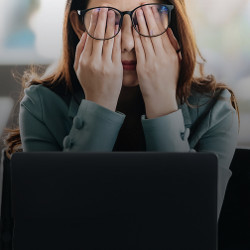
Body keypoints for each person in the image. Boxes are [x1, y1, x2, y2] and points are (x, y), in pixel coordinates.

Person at [5, 0, 239, 219]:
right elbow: (60, 221)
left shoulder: (215, 111)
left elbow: (190, 223)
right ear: (79, 26)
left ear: (172, 25)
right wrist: (98, 103)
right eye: (108, 20)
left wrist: (162, 103)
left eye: (144, 20)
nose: (128, 43)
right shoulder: (42, 105)